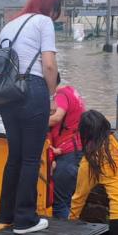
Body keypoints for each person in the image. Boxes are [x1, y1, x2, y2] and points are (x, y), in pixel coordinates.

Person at [0, 0, 61, 234]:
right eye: (56, 12)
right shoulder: (44, 22)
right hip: (32, 89)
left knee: (15, 155)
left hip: (6, 93)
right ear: (51, 8)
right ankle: (25, 219)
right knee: (32, 157)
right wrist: (52, 96)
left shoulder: (9, 26)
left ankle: (7, 214)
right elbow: (49, 65)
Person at [48, 84, 85, 219]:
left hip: (68, 153)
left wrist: (31, 122)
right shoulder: (72, 91)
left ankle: (63, 234)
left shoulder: (61, 95)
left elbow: (57, 117)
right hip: (76, 150)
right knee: (68, 200)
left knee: (61, 203)